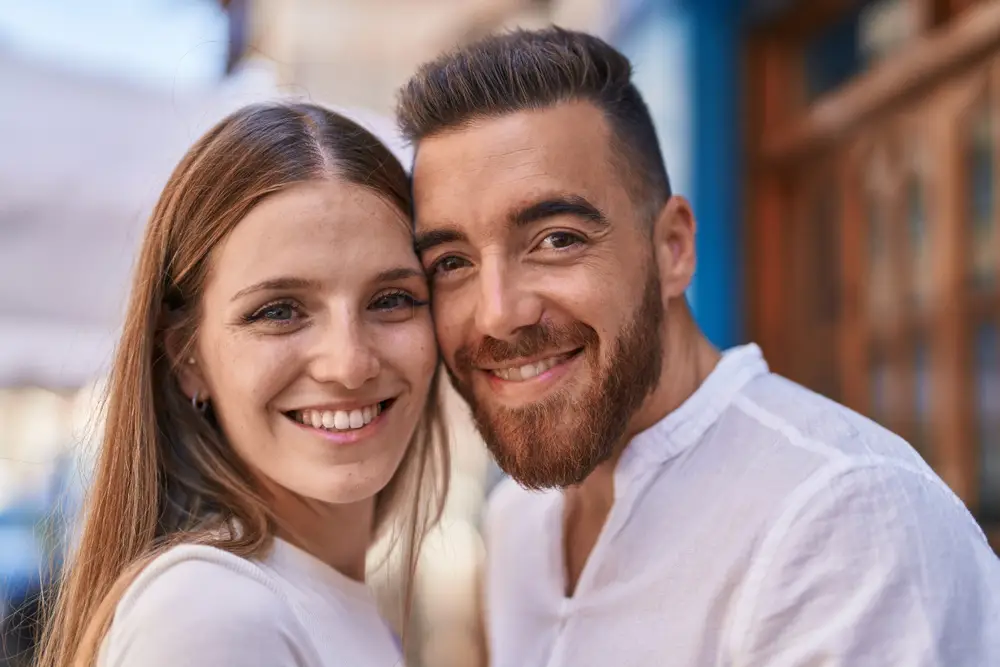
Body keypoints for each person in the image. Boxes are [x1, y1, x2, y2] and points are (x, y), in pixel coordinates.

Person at [397, 27, 1000, 666]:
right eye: (451, 261)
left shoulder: (838, 517)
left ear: (673, 248)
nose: (497, 314)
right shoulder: (518, 523)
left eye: (557, 239)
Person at [37, 102, 447, 667]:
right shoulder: (211, 615)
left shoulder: (311, 599)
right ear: (187, 356)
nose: (350, 364)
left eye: (392, 299)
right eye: (279, 311)